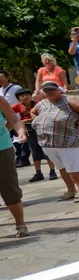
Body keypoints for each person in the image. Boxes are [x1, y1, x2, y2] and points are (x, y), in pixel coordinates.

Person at [30, 81, 79, 203]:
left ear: (59, 90)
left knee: (74, 168)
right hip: (49, 143)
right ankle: (71, 190)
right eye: (46, 90)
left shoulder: (68, 101)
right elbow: (32, 111)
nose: (49, 92)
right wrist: (38, 120)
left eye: (52, 89)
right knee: (62, 167)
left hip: (69, 141)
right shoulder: (42, 103)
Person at [13, 88, 57, 182]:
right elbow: (8, 113)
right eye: (22, 95)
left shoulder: (38, 104)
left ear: (30, 95)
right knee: (34, 150)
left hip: (41, 128)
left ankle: (52, 171)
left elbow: (43, 116)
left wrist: (26, 120)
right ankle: (38, 173)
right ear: (18, 98)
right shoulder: (17, 106)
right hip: (29, 130)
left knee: (46, 149)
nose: (25, 97)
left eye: (27, 94)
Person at [0, 95, 29, 237]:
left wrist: (21, 132)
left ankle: (20, 224)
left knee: (9, 187)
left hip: (2, 149)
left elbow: (15, 120)